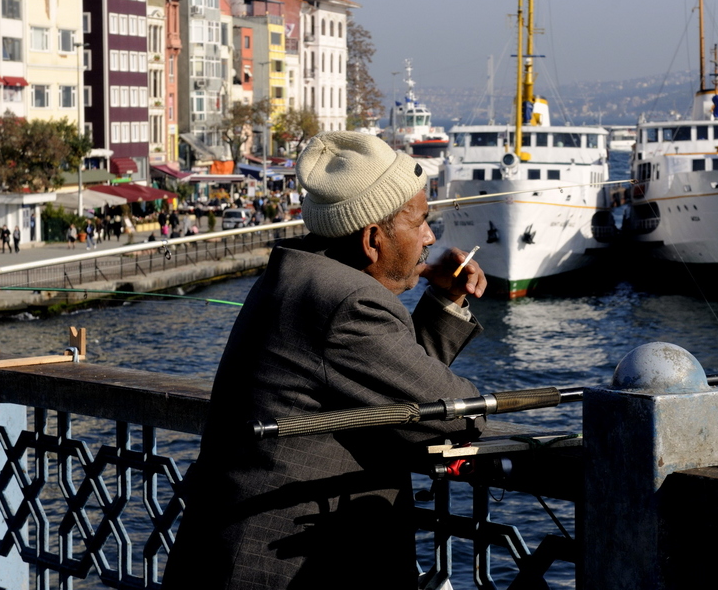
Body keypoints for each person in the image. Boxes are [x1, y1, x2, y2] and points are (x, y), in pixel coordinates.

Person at [161, 132, 487, 590]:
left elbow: (389, 392)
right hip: (278, 570)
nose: (431, 238)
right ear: (373, 240)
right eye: (420, 223)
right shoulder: (347, 304)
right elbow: (452, 416)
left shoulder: (298, 275)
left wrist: (441, 303)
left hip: (225, 555)